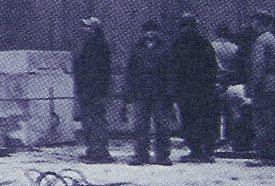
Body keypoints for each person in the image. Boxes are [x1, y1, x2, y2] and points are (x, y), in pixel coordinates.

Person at [124, 20, 175, 165]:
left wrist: (170, 91)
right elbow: (130, 72)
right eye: (147, 30)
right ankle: (141, 154)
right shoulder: (136, 50)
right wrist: (128, 92)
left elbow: (171, 72)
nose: (150, 33)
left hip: (160, 93)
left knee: (162, 125)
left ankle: (163, 155)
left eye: (153, 30)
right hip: (140, 93)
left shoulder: (165, 50)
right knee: (140, 125)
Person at [172, 13, 219, 162]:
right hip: (202, 88)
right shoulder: (204, 42)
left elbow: (173, 67)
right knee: (204, 119)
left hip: (186, 88)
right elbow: (212, 66)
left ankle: (196, 149)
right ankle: (206, 150)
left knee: (189, 119)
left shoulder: (178, 43)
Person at [74, 17, 113, 163]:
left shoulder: (98, 46)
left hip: (94, 90)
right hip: (87, 89)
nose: (84, 30)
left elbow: (99, 71)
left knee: (96, 121)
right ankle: (92, 149)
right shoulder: (88, 45)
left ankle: (100, 152)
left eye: (87, 27)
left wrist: (92, 89)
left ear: (94, 29)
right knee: (88, 121)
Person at [248, 11, 275, 162]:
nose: (252, 24)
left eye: (254, 21)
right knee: (273, 118)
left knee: (262, 119)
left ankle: (265, 153)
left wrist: (253, 85)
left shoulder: (261, 40)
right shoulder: (272, 38)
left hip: (264, 84)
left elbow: (259, 65)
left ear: (259, 22)